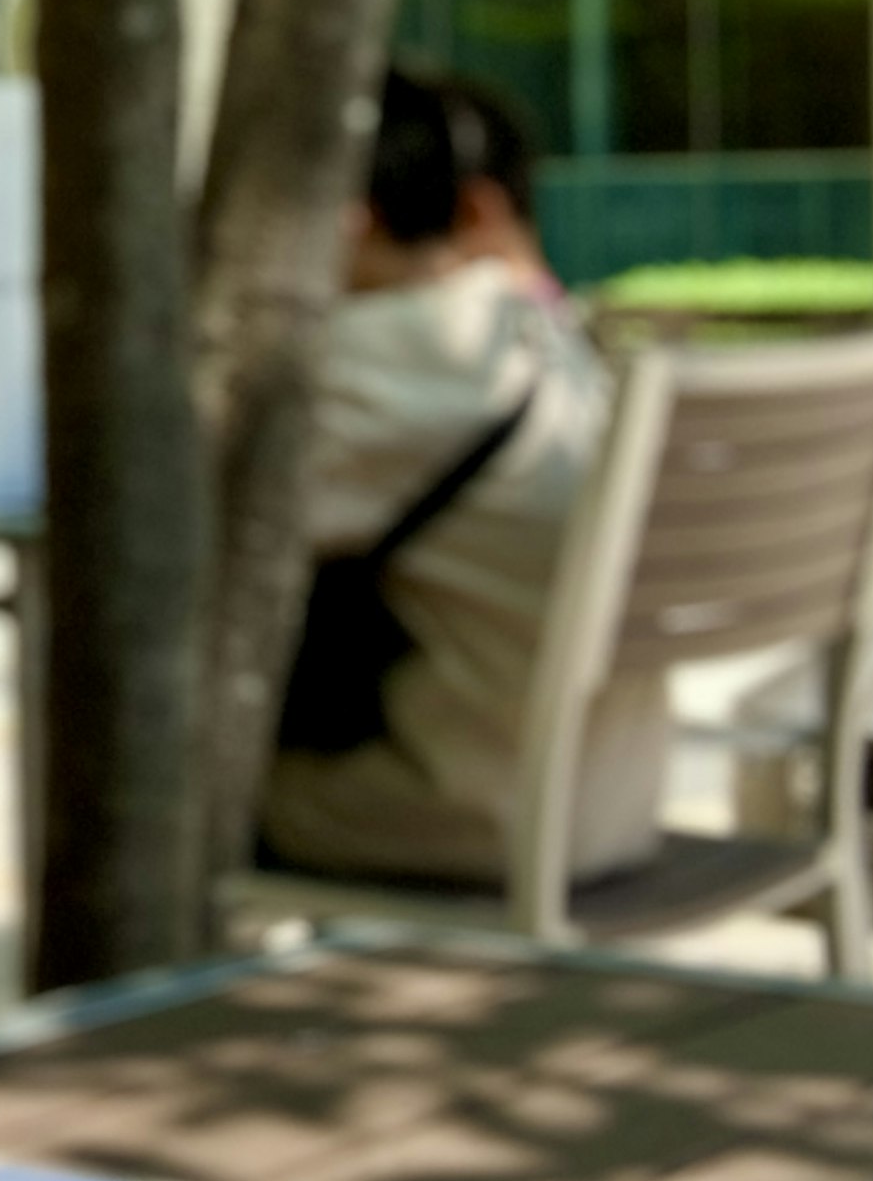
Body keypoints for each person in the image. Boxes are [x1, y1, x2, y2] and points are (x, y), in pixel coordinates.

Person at [261, 68, 671, 888]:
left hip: (470, 813)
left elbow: (182, 545)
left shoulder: (378, 363)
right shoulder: (547, 339)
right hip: (618, 805)